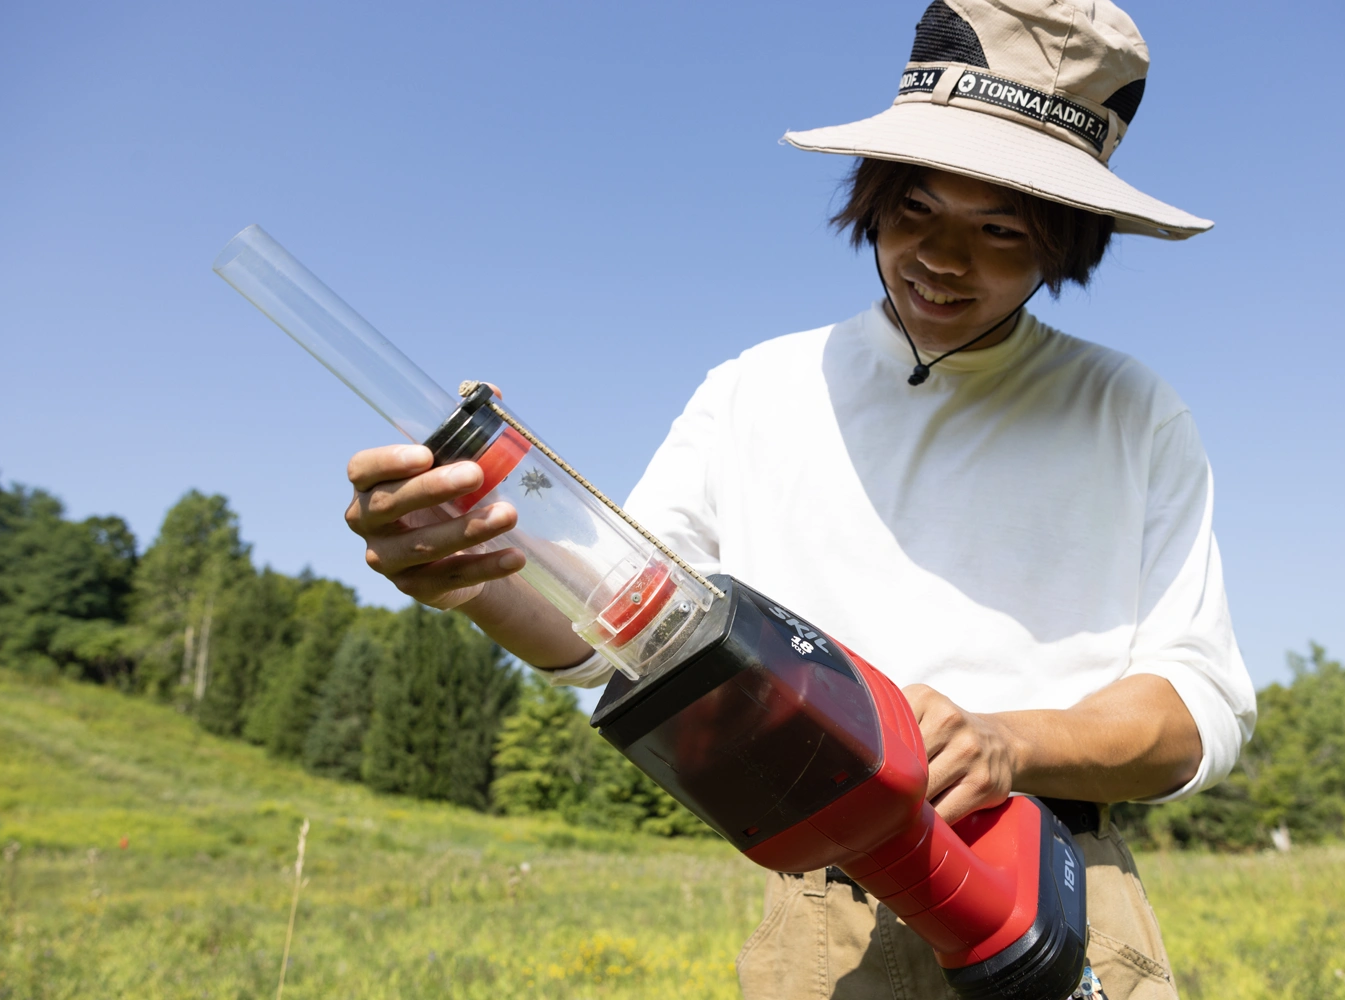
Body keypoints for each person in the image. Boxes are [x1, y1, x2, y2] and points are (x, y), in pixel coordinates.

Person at [343, 1, 1256, 997]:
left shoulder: (1129, 410)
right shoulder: (755, 389)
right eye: (915, 211)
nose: (942, 260)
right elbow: (618, 621)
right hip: (824, 910)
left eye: (999, 230)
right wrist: (469, 571)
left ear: (1066, 242)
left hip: (1053, 895)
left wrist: (1010, 740)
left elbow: (1193, 709)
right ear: (871, 195)